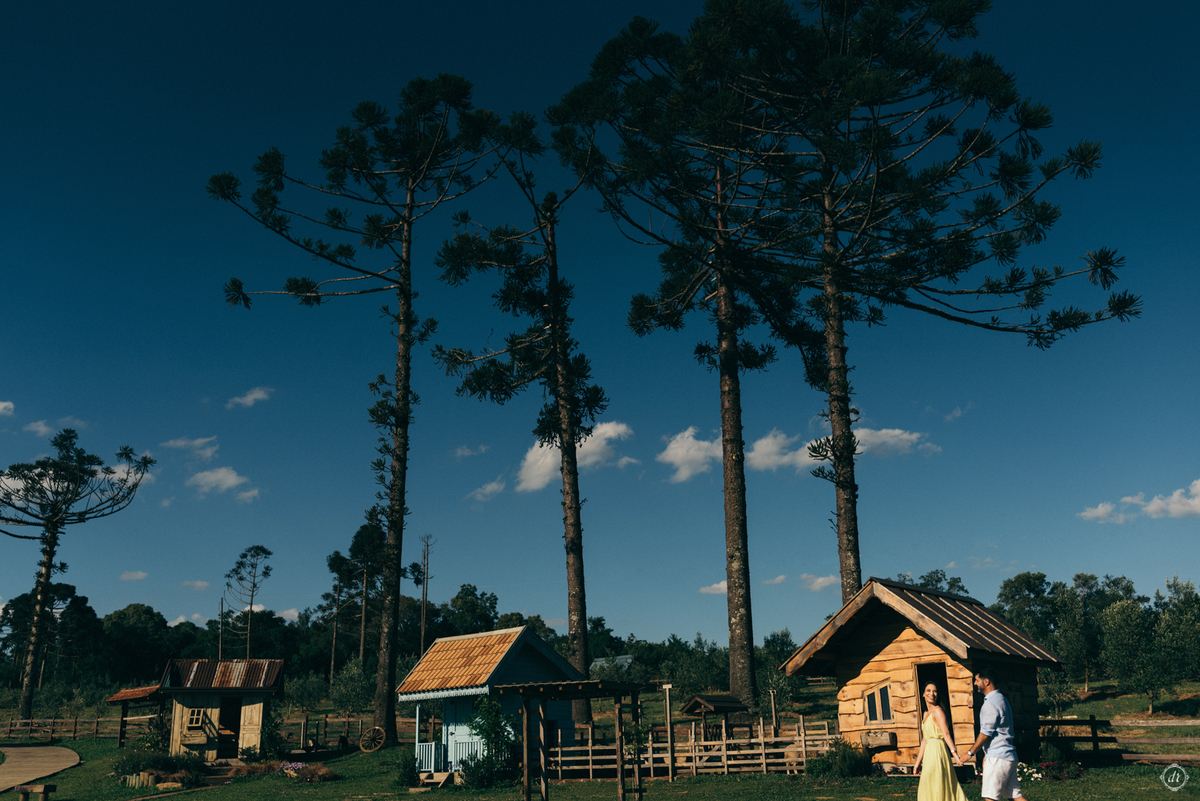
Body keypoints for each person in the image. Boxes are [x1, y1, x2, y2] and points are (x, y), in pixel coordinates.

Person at [963, 667, 1025, 801]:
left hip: (998, 758)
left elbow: (985, 734)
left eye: (977, 680)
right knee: (1016, 797)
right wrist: (987, 754)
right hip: (1008, 755)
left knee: (990, 798)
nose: (974, 683)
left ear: (986, 682)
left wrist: (970, 753)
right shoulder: (1002, 699)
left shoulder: (990, 703)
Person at [913, 682, 968, 801]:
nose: (931, 694)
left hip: (938, 751)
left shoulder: (938, 711)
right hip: (928, 752)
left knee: (937, 782)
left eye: (934, 691)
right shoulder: (925, 714)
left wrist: (955, 755)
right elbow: (924, 740)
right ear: (923, 694)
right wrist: (918, 763)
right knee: (928, 782)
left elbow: (946, 734)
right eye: (928, 690)